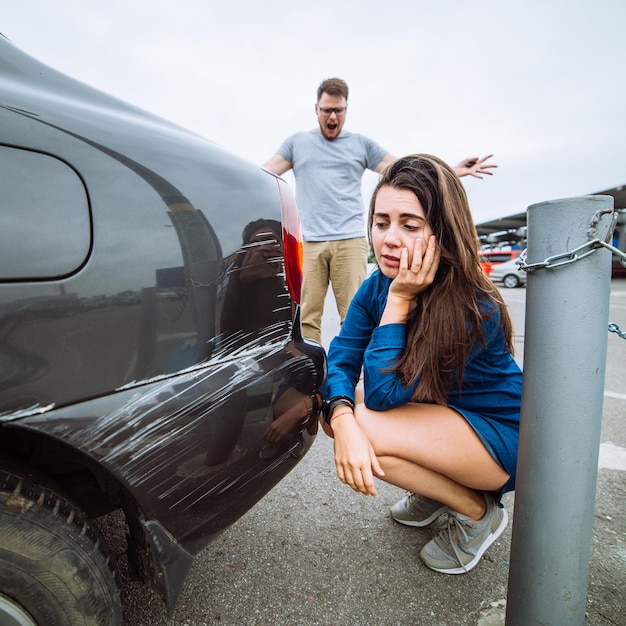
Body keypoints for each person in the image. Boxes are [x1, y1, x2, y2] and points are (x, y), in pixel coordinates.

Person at [321, 154, 522, 574]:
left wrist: (399, 301)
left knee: (369, 423)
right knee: (338, 413)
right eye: (381, 222)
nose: (389, 239)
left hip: (502, 437)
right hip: (446, 417)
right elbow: (340, 358)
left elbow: (381, 397)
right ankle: (439, 490)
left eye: (409, 226)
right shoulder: (375, 285)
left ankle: (477, 512)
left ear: (441, 233)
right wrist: (340, 419)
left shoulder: (470, 305)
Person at [262, 77, 496, 345]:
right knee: (306, 318)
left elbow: (407, 170)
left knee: (353, 314)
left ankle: (359, 377)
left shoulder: (361, 144)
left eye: (338, 110)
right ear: (316, 109)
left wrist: (453, 170)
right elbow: (265, 174)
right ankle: (313, 376)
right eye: (327, 110)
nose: (332, 116)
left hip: (349, 239)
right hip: (311, 241)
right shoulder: (296, 144)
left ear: (346, 111)